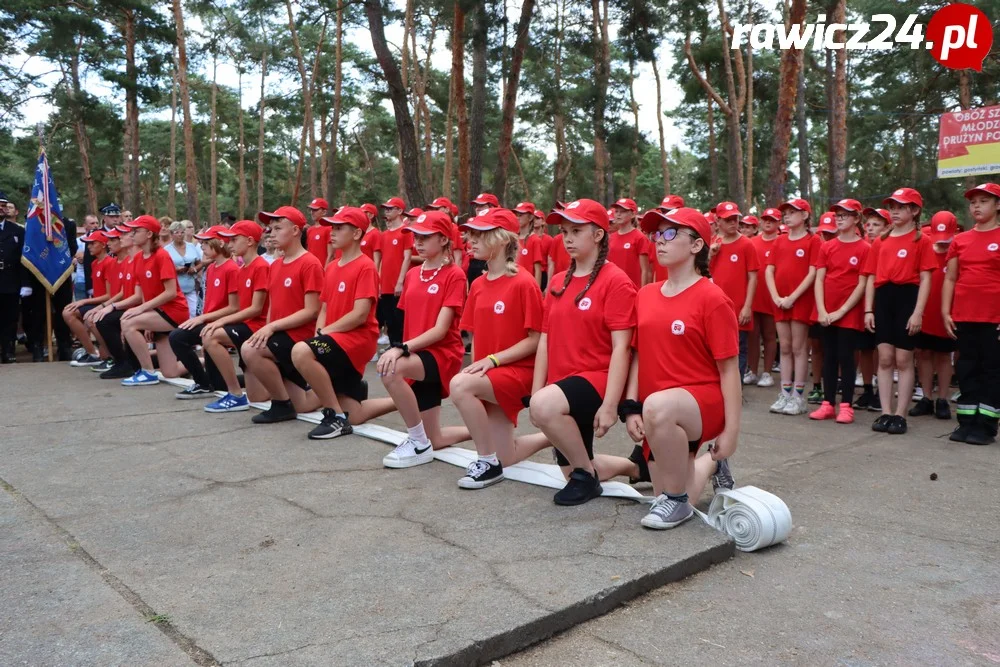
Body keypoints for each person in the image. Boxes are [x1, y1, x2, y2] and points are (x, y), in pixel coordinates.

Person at [624, 206, 740, 529]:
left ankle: (675, 501)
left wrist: (730, 432)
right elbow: (637, 355)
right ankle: (713, 467)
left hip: (700, 403)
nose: (659, 241)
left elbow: (730, 371)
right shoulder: (645, 295)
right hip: (657, 409)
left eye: (671, 233)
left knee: (672, 498)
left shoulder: (712, 298)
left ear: (696, 245)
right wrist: (631, 408)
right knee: (680, 491)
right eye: (657, 234)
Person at [529, 199, 637, 506]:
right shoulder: (559, 281)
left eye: (576, 230)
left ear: (599, 235)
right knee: (572, 470)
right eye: (564, 232)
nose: (568, 238)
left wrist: (611, 405)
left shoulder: (616, 281)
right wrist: (536, 389)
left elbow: (622, 348)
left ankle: (587, 478)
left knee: (578, 470)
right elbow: (545, 340)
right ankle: (636, 466)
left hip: (596, 379)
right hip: (562, 384)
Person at [449, 208, 545, 488]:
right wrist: (479, 365)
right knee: (509, 456)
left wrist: (491, 361)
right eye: (471, 234)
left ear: (503, 240)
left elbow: (536, 339)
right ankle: (556, 436)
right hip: (490, 373)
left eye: (480, 235)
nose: (471, 241)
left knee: (460, 386)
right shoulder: (478, 284)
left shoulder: (524, 282)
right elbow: (477, 334)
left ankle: (486, 463)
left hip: (517, 373)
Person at [379, 211, 471, 467]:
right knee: (436, 438)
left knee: (390, 370)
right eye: (415, 236)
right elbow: (412, 322)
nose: (417, 242)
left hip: (442, 354)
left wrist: (400, 349)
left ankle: (418, 444)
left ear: (443, 239)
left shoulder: (455, 275)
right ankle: (479, 430)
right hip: (418, 353)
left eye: (425, 237)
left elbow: (441, 330)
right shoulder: (413, 274)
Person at [290, 207, 380, 438]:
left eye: (340, 228)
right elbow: (325, 307)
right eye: (332, 227)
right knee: (356, 413)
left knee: (300, 351)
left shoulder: (366, 266)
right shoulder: (331, 267)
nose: (332, 232)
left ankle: (335, 417)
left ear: (357, 234)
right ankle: (407, 398)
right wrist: (320, 332)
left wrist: (326, 332)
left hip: (358, 338)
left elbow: (360, 314)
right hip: (336, 337)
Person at [862, 187, 936, 435]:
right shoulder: (880, 241)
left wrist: (918, 312)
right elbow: (872, 276)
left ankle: (900, 414)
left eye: (901, 207)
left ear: (914, 211)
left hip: (907, 298)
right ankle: (885, 412)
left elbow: (926, 279)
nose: (894, 211)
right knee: (884, 358)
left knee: (904, 359)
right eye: (892, 207)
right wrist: (868, 310)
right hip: (884, 299)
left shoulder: (922, 241)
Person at [242, 206, 325, 423]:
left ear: (296, 230)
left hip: (299, 338)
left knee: (250, 350)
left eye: (278, 228)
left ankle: (281, 404)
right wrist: (267, 328)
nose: (272, 233)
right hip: (281, 335)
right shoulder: (276, 264)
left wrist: (271, 328)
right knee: (304, 405)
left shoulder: (310, 263)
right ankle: (339, 387)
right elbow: (273, 305)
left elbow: (312, 310)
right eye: (270, 229)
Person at [943, 182, 1000, 445]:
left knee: (991, 370)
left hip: (993, 319)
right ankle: (965, 422)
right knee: (965, 368)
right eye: (973, 202)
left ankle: (985, 426)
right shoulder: (961, 240)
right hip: (964, 316)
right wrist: (945, 311)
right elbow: (951, 278)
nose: (976, 206)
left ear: (998, 205)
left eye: (983, 201)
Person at [808, 199, 870, 423]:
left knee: (846, 357)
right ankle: (827, 403)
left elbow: (862, 283)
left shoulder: (865, 248)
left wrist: (842, 310)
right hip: (825, 311)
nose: (840, 218)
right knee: (829, 357)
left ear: (856, 219)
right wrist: (823, 310)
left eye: (846, 214)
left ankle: (846, 405)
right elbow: (819, 279)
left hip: (849, 312)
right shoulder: (827, 246)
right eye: (838, 214)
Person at [200, 220, 271, 413]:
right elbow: (239, 306)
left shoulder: (260, 266)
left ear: (249, 241)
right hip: (246, 325)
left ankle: (235, 394)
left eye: (234, 239)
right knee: (259, 396)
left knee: (210, 336)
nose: (229, 243)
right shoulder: (242, 269)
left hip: (256, 326)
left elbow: (256, 309)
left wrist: (221, 321)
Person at [115, 215, 191, 386]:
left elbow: (171, 293)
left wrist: (142, 311)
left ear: (149, 234)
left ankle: (147, 371)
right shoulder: (139, 259)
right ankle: (204, 362)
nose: (132, 234)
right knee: (170, 373)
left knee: (127, 321)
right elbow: (144, 294)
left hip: (174, 312)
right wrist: (149, 319)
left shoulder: (162, 256)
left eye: (136, 231)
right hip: (159, 313)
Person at [168, 225, 240, 398]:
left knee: (220, 384)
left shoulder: (231, 269)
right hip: (209, 322)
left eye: (207, 243)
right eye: (202, 243)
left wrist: (202, 319)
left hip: (222, 324)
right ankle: (201, 382)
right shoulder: (212, 268)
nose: (202, 247)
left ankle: (209, 383)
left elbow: (234, 307)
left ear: (219, 243)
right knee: (178, 336)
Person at [765, 198, 821, 416]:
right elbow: (769, 270)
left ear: (805, 215)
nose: (786, 216)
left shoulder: (812, 241)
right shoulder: (779, 241)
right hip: (780, 301)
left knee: (799, 348)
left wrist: (792, 297)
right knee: (785, 347)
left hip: (800, 302)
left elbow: (813, 272)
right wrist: (776, 296)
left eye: (792, 212)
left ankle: (798, 397)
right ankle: (785, 393)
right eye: (785, 213)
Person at [909, 211, 956, 421]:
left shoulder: (958, 248)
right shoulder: (924, 243)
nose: (942, 244)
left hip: (946, 312)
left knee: (944, 356)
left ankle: (943, 399)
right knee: (923, 353)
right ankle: (926, 397)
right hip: (923, 310)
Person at [709, 201, 759, 380]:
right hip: (714, 307)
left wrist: (747, 307)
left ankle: (736, 387)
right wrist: (710, 255)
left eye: (735, 219)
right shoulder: (712, 244)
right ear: (718, 221)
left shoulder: (746, 244)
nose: (733, 223)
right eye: (728, 219)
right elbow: (700, 272)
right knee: (713, 346)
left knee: (739, 347)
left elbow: (753, 277)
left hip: (738, 307)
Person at [91, 225, 142, 378]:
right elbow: (123, 292)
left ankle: (124, 362)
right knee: (101, 318)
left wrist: (109, 306)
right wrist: (106, 306)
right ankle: (121, 361)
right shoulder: (127, 261)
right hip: (131, 306)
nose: (113, 241)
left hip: (140, 307)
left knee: (105, 320)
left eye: (120, 237)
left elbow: (139, 296)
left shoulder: (136, 260)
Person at [853, 208, 890, 412]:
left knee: (882, 351)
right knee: (865, 349)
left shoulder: (889, 247)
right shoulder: (866, 248)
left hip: (885, 306)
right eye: (869, 224)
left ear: (887, 227)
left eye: (876, 225)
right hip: (866, 306)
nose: (871, 228)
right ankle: (867, 389)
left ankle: (879, 390)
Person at [62, 230, 114, 366]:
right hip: (97, 303)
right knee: (68, 312)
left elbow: (110, 295)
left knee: (89, 318)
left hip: (107, 304)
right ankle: (91, 353)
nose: (88, 246)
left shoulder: (109, 263)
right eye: (88, 244)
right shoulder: (94, 263)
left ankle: (110, 355)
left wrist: (85, 301)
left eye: (92, 243)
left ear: (103, 245)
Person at [746, 207, 781, 387]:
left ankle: (767, 372)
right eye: (765, 219)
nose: (768, 222)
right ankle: (752, 370)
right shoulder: (752, 242)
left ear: (778, 223)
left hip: (772, 296)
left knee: (769, 335)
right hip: (754, 295)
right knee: (753, 335)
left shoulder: (781, 242)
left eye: (772, 220)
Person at [377, 197, 412, 346]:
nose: (387, 211)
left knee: (399, 320)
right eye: (386, 208)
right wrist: (379, 281)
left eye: (390, 208)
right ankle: (392, 348)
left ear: (399, 211)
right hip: (385, 284)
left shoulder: (405, 232)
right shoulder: (384, 234)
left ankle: (401, 349)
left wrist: (400, 282)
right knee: (389, 320)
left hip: (397, 285)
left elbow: (407, 257)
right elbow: (383, 259)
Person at [0, 191, 26, 363]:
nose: (2, 208)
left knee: (10, 318)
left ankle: (8, 350)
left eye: (3, 205)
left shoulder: (17, 230)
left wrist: (25, 283)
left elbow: (23, 259)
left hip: (10, 280)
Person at [607, 197, 652, 287]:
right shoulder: (611, 238)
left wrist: (642, 292)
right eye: (616, 211)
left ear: (632, 214)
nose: (618, 214)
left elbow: (645, 270)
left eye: (623, 211)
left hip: (632, 288)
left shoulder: (639, 237)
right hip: (613, 286)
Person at [165, 220, 203, 318]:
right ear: (171, 234)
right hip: (175, 290)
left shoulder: (191, 246)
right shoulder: (166, 250)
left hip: (190, 287)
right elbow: (163, 269)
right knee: (178, 315)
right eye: (176, 232)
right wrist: (175, 270)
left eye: (182, 232)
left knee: (193, 313)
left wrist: (194, 269)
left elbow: (200, 263)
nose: (180, 235)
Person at [513, 202, 544, 286]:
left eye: (521, 215)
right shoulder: (514, 238)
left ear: (530, 218)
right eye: (517, 215)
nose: (517, 218)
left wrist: (536, 289)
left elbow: (537, 269)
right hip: (513, 283)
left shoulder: (535, 240)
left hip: (527, 285)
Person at [304, 198, 333, 266]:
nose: (312, 212)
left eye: (315, 210)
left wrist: (325, 273)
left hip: (322, 270)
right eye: (311, 210)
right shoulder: (309, 230)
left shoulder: (329, 229)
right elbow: (308, 252)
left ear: (324, 212)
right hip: (310, 269)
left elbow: (331, 255)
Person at [359, 203, 383, 271]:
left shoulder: (375, 234)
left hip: (368, 271)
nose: (360, 215)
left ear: (371, 215)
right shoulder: (358, 232)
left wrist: (375, 275)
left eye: (363, 212)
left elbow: (377, 260)